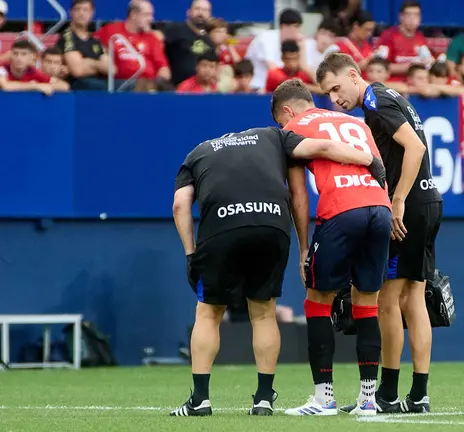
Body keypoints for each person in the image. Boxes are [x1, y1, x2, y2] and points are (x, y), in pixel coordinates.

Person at [169, 122, 386, 417]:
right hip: (272, 223)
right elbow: (323, 146)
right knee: (264, 312)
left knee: (209, 312)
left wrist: (190, 254)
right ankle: (263, 399)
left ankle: (201, 400)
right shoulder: (273, 135)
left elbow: (181, 205)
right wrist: (369, 159)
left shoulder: (197, 152)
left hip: (221, 226)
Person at [317, 52, 443, 414]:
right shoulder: (392, 96)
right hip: (430, 200)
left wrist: (398, 199)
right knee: (415, 299)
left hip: (410, 205)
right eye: (327, 94)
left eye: (337, 88)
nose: (334, 99)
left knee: (387, 300)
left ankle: (386, 393)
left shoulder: (375, 101)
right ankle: (418, 393)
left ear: (355, 75)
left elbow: (415, 147)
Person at [271, 79, 392, 416]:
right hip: (379, 208)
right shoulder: (354, 122)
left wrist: (304, 247)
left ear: (287, 111)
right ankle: (368, 400)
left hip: (340, 210)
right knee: (367, 303)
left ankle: (324, 398)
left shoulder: (293, 128)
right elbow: (379, 170)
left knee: (317, 300)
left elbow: (298, 195)